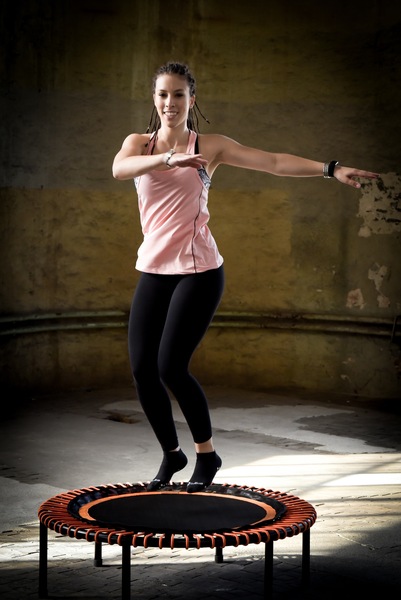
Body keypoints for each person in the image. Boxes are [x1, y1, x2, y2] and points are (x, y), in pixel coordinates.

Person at [112, 61, 379, 494]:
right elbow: (119, 169)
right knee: (143, 370)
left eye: (179, 94)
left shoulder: (209, 146)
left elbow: (272, 162)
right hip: (155, 268)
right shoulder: (138, 144)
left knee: (170, 367)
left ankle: (206, 454)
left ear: (191, 99)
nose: (170, 102)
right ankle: (172, 453)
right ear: (154, 99)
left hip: (198, 270)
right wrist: (168, 158)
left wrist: (330, 168)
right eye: (163, 94)